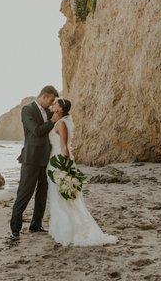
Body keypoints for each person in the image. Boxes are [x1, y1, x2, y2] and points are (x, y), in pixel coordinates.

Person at [47, 98, 118, 246]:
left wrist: (65, 168)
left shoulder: (61, 124)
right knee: (57, 196)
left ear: (60, 109)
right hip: (54, 160)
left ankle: (68, 231)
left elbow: (65, 147)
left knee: (61, 197)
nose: (53, 105)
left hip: (59, 162)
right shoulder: (59, 122)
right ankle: (60, 228)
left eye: (56, 104)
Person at [10, 85, 60, 240]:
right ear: (44, 96)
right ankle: (15, 229)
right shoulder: (27, 110)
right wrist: (52, 121)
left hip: (46, 158)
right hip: (31, 159)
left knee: (42, 193)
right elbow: (36, 131)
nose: (52, 104)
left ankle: (36, 224)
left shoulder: (48, 111)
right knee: (25, 193)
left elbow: (61, 113)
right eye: (51, 100)